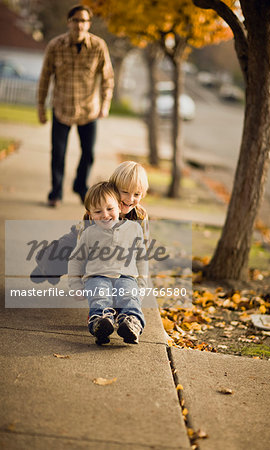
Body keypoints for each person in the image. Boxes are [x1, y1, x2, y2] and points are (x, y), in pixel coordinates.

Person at [38, 4, 114, 207]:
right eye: (76, 20)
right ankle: (56, 192)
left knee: (88, 153)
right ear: (69, 22)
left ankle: (81, 187)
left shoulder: (98, 46)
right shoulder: (55, 46)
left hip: (88, 109)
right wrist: (40, 108)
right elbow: (45, 78)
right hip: (61, 108)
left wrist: (105, 105)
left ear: (89, 24)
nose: (80, 25)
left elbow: (108, 78)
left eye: (84, 21)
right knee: (58, 153)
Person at [30, 161, 149, 284]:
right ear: (113, 189)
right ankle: (45, 268)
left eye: (136, 194)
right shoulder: (100, 204)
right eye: (125, 192)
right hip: (82, 239)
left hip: (111, 249)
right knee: (56, 256)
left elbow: (142, 248)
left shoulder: (140, 215)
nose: (130, 199)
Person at [68, 181, 148, 345]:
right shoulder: (89, 233)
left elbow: (141, 258)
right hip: (96, 277)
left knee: (130, 299)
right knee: (99, 298)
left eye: (110, 209)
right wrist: (75, 285)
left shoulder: (134, 229)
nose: (105, 215)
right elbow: (76, 259)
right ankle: (101, 323)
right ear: (90, 214)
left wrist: (142, 284)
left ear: (119, 207)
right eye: (98, 211)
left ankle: (131, 324)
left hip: (127, 277)